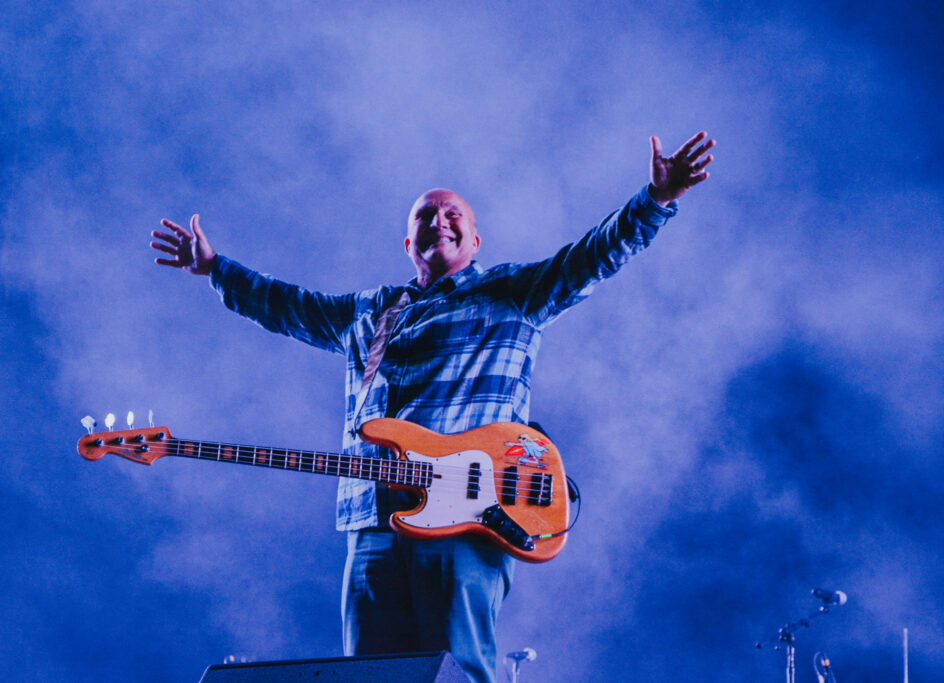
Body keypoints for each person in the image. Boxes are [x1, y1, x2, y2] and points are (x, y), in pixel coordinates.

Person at [151, 132, 715, 683]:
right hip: (372, 520)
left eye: (453, 216)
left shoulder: (508, 293)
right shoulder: (369, 313)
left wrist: (655, 200)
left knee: (455, 670)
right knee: (373, 675)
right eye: (424, 216)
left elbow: (590, 258)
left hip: (466, 518)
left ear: (475, 242)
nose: (438, 221)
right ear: (407, 244)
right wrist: (215, 267)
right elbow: (287, 305)